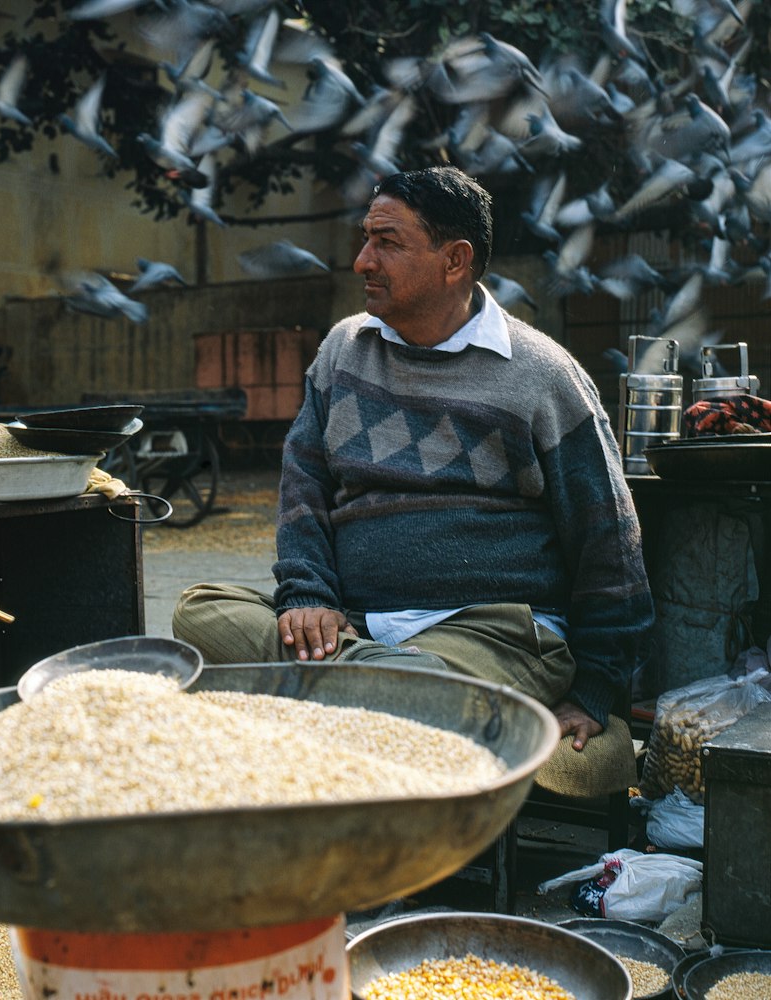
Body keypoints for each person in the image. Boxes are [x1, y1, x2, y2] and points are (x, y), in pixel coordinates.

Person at [173, 165, 654, 761]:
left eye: (387, 243)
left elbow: (610, 544)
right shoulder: (341, 352)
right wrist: (307, 598)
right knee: (200, 613)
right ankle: (378, 686)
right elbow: (304, 489)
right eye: (366, 238)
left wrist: (595, 689)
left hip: (489, 636)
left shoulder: (544, 378)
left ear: (454, 260)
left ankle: (368, 688)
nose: (362, 261)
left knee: (418, 689)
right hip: (355, 624)